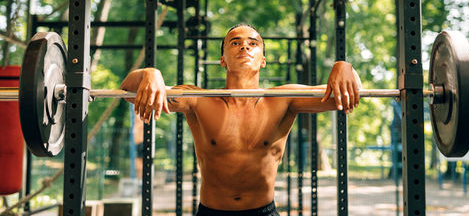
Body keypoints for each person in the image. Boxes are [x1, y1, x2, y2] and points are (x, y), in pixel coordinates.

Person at [120, 23, 361, 216]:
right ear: (223, 59)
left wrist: (344, 66)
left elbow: (347, 93)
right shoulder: (198, 100)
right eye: (235, 43)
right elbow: (128, 89)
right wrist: (150, 73)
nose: (244, 47)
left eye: (253, 43)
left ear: (263, 60)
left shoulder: (283, 99)